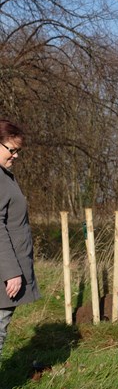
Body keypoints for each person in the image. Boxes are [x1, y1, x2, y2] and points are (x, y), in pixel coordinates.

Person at [0, 120, 40, 360]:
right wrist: (12, 271)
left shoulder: (5, 176)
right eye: (11, 150)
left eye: (18, 152)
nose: (15, 156)